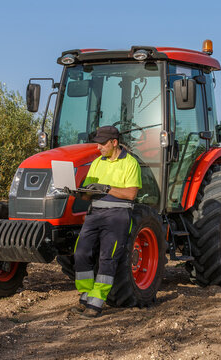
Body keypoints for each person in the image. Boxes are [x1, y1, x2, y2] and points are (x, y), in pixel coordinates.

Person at [69, 125, 141, 318]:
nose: (98, 148)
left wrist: (107, 188)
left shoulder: (130, 163)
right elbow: (88, 194)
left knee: (107, 258)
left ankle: (96, 302)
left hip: (118, 214)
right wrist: (75, 192)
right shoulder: (97, 163)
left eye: (102, 144)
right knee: (81, 252)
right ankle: (86, 296)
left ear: (114, 143)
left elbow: (131, 194)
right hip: (95, 213)